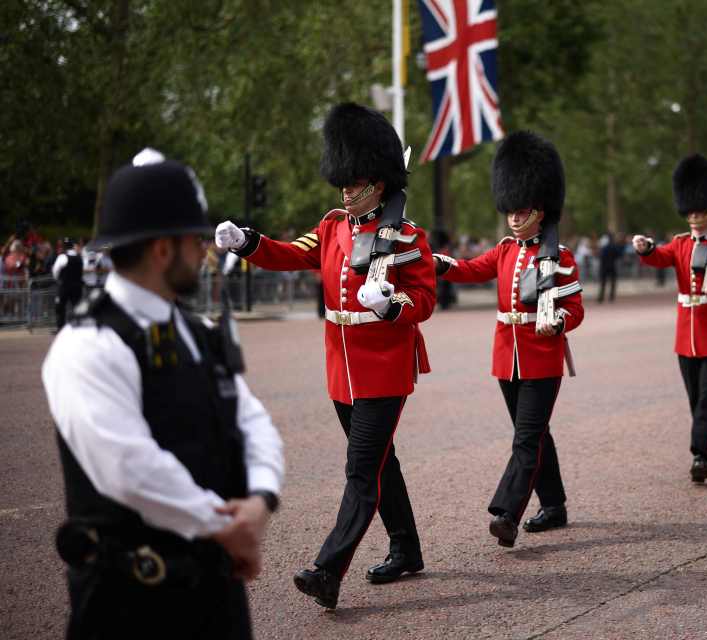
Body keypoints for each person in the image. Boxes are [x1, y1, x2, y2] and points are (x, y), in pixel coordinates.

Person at [42, 148, 284, 640]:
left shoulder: (196, 330)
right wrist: (225, 526)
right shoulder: (87, 344)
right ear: (162, 250)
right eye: (195, 240)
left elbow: (251, 418)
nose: (204, 252)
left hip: (215, 587)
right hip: (129, 602)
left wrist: (260, 499)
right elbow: (128, 467)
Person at [216, 102, 435, 609]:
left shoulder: (407, 236)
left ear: (378, 184)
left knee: (361, 470)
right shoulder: (334, 226)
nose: (345, 188)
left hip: (384, 369)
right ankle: (406, 548)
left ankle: (327, 568)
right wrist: (248, 243)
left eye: (354, 181)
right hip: (343, 370)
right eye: (344, 180)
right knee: (382, 464)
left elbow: (423, 300)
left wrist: (391, 305)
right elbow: (292, 253)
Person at [434, 131, 584, 546]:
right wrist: (438, 264)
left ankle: (507, 512)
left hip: (542, 358)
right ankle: (553, 506)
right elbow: (469, 269)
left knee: (526, 439)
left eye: (522, 212)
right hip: (508, 357)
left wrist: (558, 325)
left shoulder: (560, 257)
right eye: (511, 213)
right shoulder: (504, 251)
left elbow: (575, 310)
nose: (515, 219)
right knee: (535, 435)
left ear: (540, 210)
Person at [632, 154, 707, 483]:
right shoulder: (680, 245)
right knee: (696, 398)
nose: (694, 218)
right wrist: (645, 248)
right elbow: (659, 257)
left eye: (701, 212)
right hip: (687, 336)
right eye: (691, 212)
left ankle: (699, 455)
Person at [52, 238, 84, 330]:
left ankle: (60, 328)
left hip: (64, 286)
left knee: (60, 308)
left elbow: (55, 271)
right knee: (76, 307)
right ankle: (77, 327)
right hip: (77, 287)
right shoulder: (79, 257)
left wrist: (58, 280)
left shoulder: (62, 257)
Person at [597, 232, 622, 303]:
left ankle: (601, 297)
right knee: (613, 282)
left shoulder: (604, 247)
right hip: (612, 265)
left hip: (604, 266)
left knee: (603, 283)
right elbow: (619, 255)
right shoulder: (614, 246)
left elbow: (601, 256)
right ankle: (611, 297)